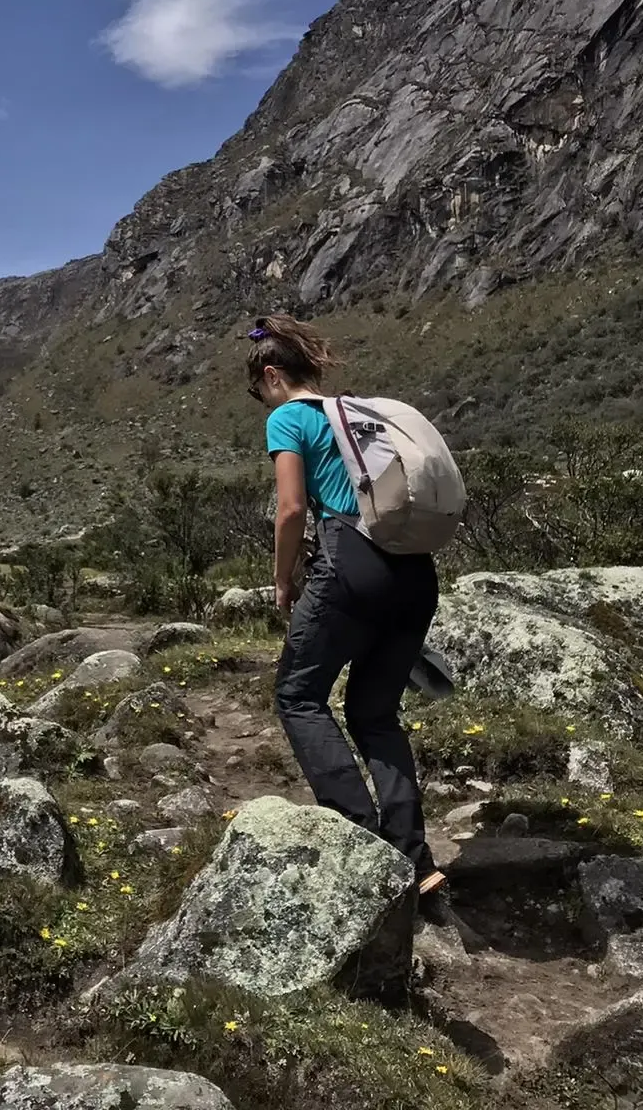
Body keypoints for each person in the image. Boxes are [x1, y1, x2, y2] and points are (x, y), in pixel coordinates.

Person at [247, 313, 454, 918]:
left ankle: (364, 850)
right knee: (374, 713)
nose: (259, 400)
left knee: (298, 696)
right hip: (415, 573)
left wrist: (283, 580)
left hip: (351, 563)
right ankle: (416, 863)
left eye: (256, 390)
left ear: (271, 375)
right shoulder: (362, 417)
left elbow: (290, 511)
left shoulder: (290, 417)